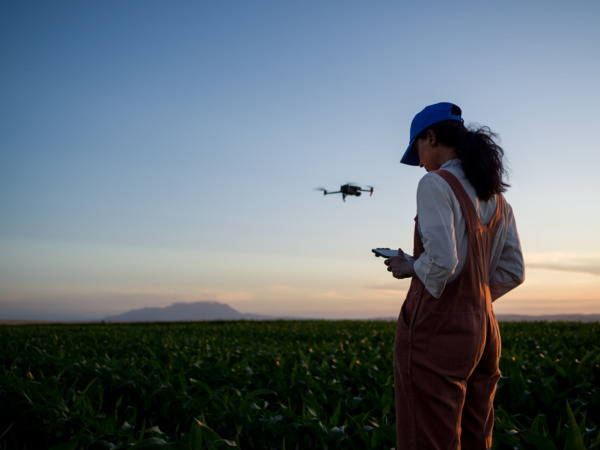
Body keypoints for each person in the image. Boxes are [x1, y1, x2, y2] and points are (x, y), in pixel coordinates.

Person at [384, 102, 525, 449]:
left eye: (417, 147)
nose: (418, 160)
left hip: (437, 333)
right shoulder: (497, 197)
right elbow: (514, 271)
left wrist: (409, 266)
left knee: (430, 440)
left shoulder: (434, 184)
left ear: (430, 137)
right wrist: (473, 301)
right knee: (477, 438)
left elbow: (443, 263)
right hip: (485, 332)